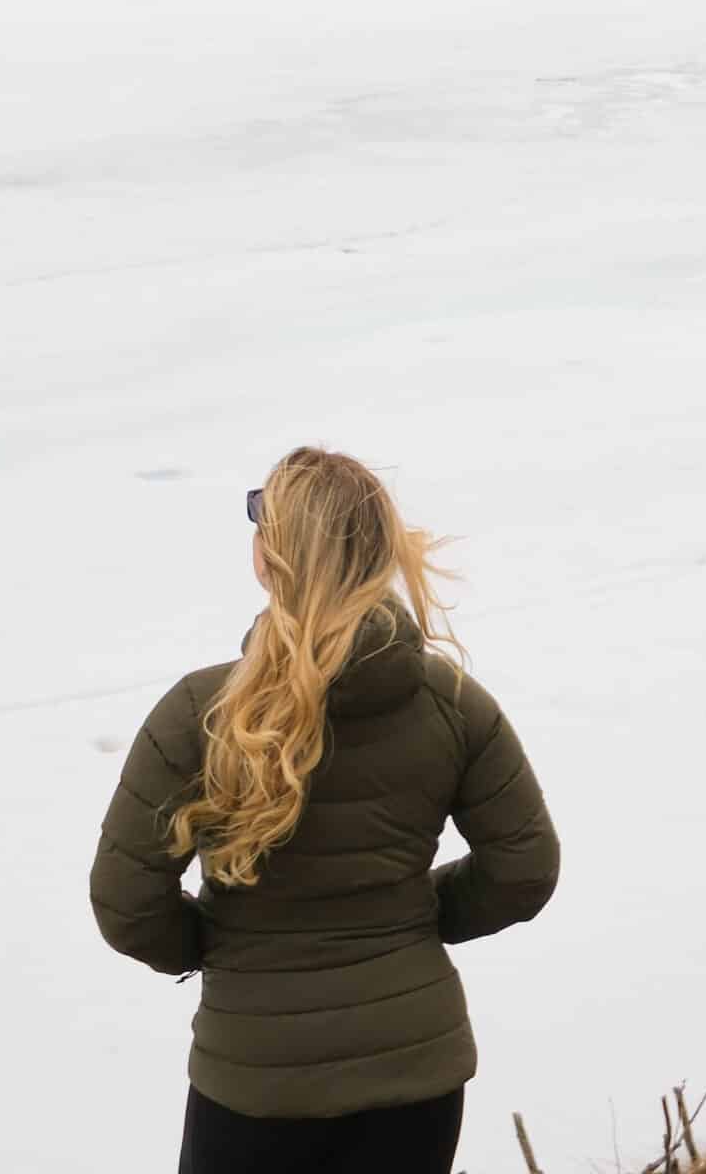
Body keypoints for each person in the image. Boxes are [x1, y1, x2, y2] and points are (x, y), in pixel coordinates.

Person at [89, 446, 560, 1174]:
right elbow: (524, 868)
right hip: (417, 1075)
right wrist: (413, 920)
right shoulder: (452, 703)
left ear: (271, 558)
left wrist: (212, 944)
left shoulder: (201, 712)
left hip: (254, 1078)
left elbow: (125, 902)